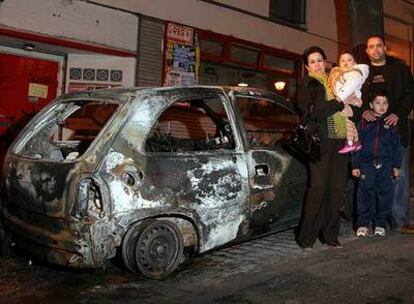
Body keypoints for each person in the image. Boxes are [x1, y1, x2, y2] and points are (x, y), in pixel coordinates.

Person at [295, 46, 355, 249]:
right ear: (307, 66)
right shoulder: (307, 84)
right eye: (312, 61)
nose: (317, 64)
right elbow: (314, 111)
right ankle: (306, 236)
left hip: (340, 140)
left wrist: (351, 103)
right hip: (320, 142)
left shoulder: (335, 80)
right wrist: (339, 103)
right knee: (318, 189)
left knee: (337, 190)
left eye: (320, 60)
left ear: (326, 62)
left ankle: (330, 235)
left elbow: (352, 100)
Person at [360, 35, 414, 234]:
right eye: (371, 47)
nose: (375, 50)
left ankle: (400, 220)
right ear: (367, 51)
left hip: (396, 131)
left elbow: (411, 93)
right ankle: (378, 219)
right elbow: (356, 98)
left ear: (385, 48)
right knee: (372, 178)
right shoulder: (362, 73)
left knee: (399, 175)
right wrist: (363, 111)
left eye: (379, 46)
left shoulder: (400, 69)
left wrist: (398, 114)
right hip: (371, 136)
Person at [352, 92, 401, 237]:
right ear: (371, 105)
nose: (382, 106)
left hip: (385, 165)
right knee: (364, 194)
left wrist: (396, 166)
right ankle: (363, 223)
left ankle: (380, 223)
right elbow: (356, 144)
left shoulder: (391, 125)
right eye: (378, 103)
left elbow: (396, 147)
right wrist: (355, 165)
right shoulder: (363, 123)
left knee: (384, 195)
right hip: (366, 164)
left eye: (385, 103)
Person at [328, 51, 369, 154]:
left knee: (347, 122)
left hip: (350, 100)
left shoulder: (354, 73)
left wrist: (339, 97)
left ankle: (350, 143)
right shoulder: (343, 73)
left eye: (349, 60)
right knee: (350, 122)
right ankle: (356, 142)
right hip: (348, 100)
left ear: (354, 63)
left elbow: (349, 86)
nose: (346, 62)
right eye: (343, 61)